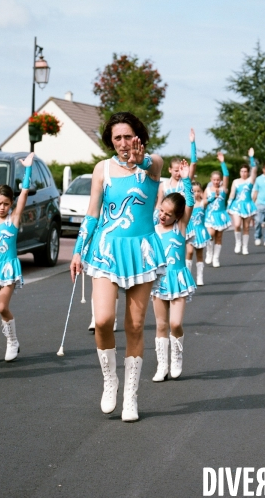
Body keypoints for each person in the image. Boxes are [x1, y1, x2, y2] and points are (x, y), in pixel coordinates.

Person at [70, 112, 167, 422]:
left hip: (141, 251)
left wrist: (142, 162)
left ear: (138, 136)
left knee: (136, 326)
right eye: (117, 138)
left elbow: (154, 165)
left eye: (129, 136)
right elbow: (92, 213)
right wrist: (77, 251)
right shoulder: (102, 169)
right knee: (103, 321)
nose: (124, 143)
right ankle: (110, 379)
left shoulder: (153, 164)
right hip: (106, 250)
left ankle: (130, 396)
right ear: (110, 142)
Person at [0, 153, 34, 363]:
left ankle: (12, 341)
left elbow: (25, 193)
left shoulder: (14, 219)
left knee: (2, 307)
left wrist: (27, 169)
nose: (2, 207)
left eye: (6, 203)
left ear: (11, 204)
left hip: (9, 268)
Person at [151, 161, 196, 382]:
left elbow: (190, 203)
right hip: (158, 281)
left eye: (169, 214)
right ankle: (162, 365)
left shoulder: (181, 227)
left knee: (175, 323)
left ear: (177, 216)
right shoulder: (153, 227)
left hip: (178, 278)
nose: (163, 216)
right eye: (162, 211)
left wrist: (186, 179)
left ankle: (176, 356)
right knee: (160, 324)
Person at [154, 129, 198, 220]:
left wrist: (192, 143)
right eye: (176, 170)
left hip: (184, 218)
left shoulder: (186, 181)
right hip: (169, 219)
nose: (178, 173)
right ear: (170, 170)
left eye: (180, 170)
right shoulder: (163, 185)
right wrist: (155, 219)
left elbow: (193, 164)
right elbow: (159, 204)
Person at [227, 149, 257, 254]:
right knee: (236, 225)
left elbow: (254, 170)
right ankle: (238, 242)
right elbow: (232, 194)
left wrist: (251, 157)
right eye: (242, 171)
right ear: (240, 172)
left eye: (245, 171)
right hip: (237, 205)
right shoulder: (235, 181)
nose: (243, 173)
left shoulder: (250, 180)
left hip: (248, 205)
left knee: (246, 227)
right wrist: (228, 205)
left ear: (247, 172)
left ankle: (245, 246)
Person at [204, 153, 232, 267]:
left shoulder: (223, 189)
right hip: (210, 215)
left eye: (218, 180)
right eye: (214, 180)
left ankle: (216, 258)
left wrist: (222, 162)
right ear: (211, 180)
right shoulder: (207, 189)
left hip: (220, 215)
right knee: (210, 234)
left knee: (219, 236)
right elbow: (204, 202)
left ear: (220, 180)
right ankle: (209, 253)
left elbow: (226, 175)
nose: (216, 182)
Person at [186, 181, 210, 286]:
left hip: (200, 231)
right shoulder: (187, 204)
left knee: (199, 254)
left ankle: (199, 277)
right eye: (193, 191)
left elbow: (210, 198)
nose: (196, 193)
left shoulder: (203, 203)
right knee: (190, 252)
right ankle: (187, 276)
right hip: (190, 231)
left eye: (198, 191)